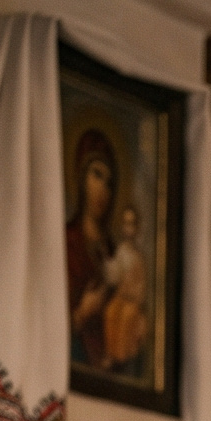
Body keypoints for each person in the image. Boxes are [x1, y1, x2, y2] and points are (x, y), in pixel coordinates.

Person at [64, 128, 116, 368]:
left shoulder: (113, 249)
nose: (102, 190)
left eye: (109, 182)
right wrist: (82, 314)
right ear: (81, 177)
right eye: (96, 175)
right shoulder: (66, 240)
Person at [101, 205, 149, 368]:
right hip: (120, 298)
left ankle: (121, 358)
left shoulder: (139, 258)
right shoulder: (121, 252)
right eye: (125, 223)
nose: (128, 228)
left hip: (132, 302)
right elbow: (114, 277)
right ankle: (110, 355)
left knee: (127, 317)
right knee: (111, 311)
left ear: (136, 228)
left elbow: (141, 289)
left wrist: (132, 293)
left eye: (132, 224)